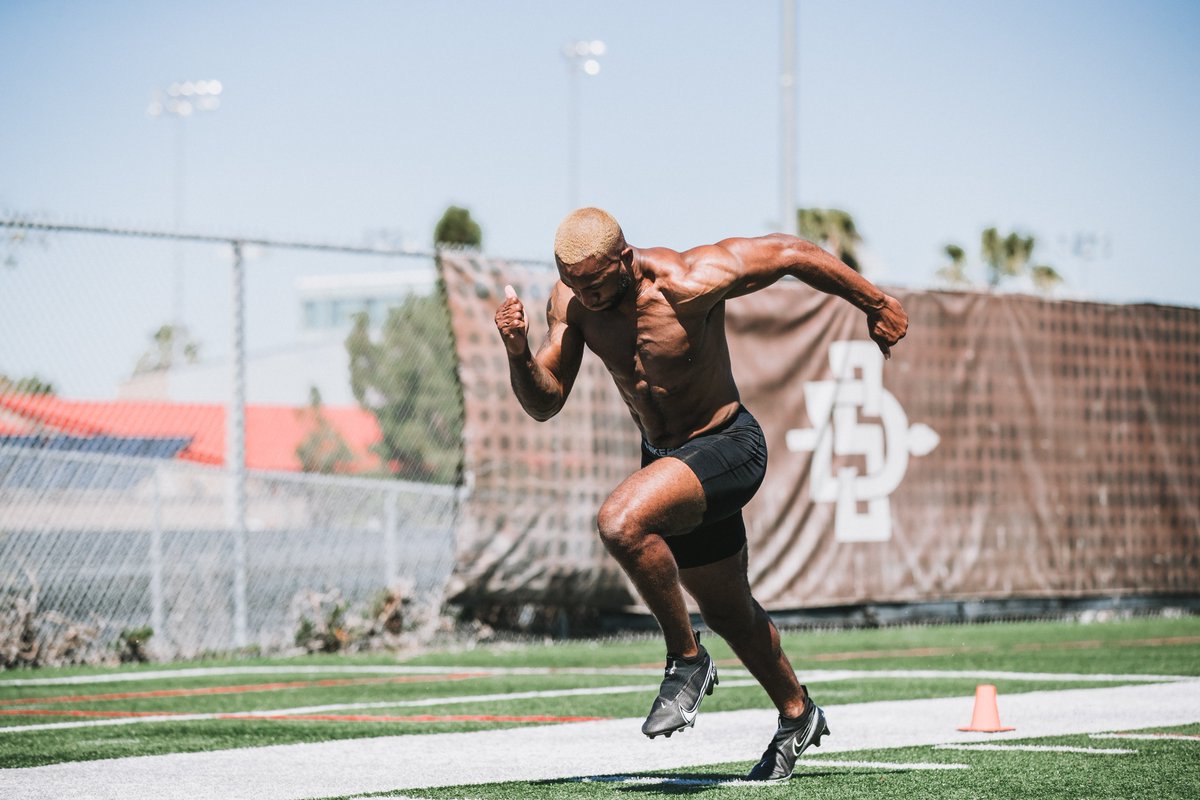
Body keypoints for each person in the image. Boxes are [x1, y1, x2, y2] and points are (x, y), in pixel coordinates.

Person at [493, 207, 908, 782]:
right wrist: (517, 351)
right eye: (572, 281)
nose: (582, 293)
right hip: (668, 459)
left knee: (620, 521)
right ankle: (798, 713)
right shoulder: (572, 306)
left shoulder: (689, 280)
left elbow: (791, 252)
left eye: (593, 280)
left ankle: (687, 661)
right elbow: (545, 401)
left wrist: (876, 303)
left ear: (624, 258)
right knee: (727, 608)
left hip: (729, 445)